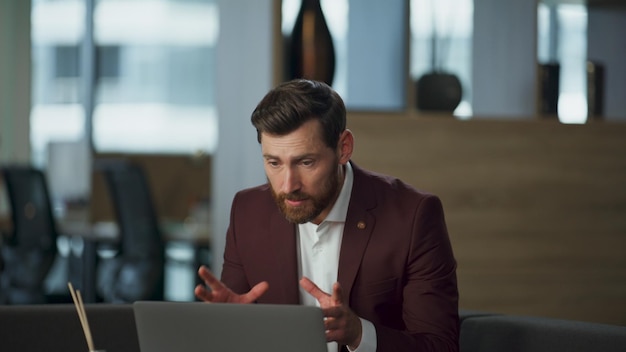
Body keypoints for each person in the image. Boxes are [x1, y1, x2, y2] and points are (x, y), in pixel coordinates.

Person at [195, 79, 459, 352]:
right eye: (274, 163)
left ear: (344, 147)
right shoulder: (248, 211)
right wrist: (228, 326)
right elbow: (238, 332)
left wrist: (359, 335)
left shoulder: (413, 216)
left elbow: (440, 346)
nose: (288, 186)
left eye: (306, 162)